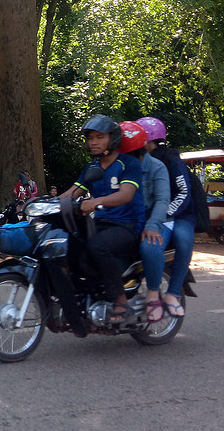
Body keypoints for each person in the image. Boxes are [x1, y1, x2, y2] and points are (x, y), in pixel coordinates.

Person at [62, 115, 145, 324]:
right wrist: (41, 203)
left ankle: (120, 298)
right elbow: (72, 193)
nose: (93, 142)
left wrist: (95, 202)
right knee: (67, 244)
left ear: (113, 139)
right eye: (90, 138)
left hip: (127, 225)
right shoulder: (91, 168)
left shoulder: (128, 164)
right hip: (99, 224)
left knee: (97, 246)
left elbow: (126, 195)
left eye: (99, 137)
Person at [138, 116, 196, 318]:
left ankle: (173, 293)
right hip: (156, 214)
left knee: (183, 240)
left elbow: (184, 193)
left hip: (179, 213)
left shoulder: (171, 160)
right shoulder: (138, 160)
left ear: (148, 140)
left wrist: (164, 213)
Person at [119, 121, 171, 323]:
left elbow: (162, 200)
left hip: (155, 221)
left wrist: (152, 225)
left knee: (149, 247)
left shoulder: (157, 168)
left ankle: (152, 293)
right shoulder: (117, 165)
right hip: (126, 220)